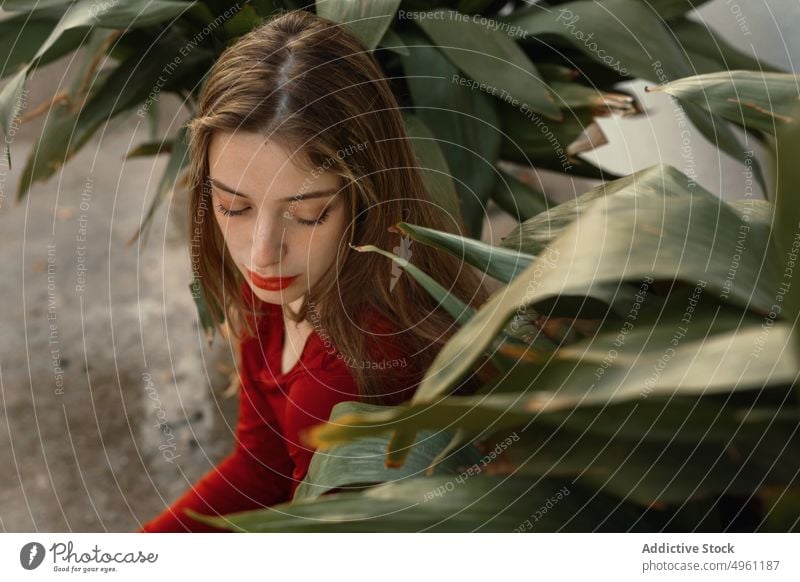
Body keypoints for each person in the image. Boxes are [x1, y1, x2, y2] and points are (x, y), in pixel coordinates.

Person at [138, 9, 492, 533]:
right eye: (234, 207)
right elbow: (262, 470)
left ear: (367, 198)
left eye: (307, 214)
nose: (260, 254)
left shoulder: (346, 377)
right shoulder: (283, 286)